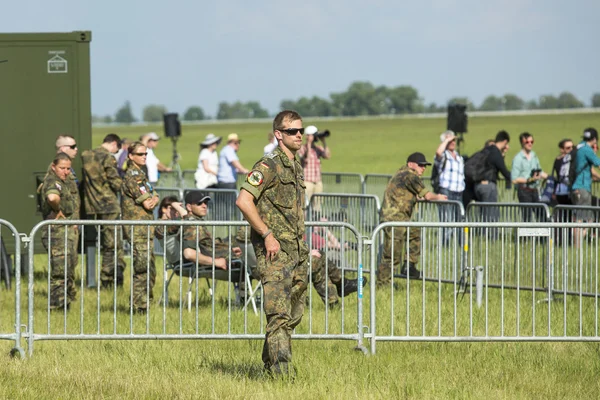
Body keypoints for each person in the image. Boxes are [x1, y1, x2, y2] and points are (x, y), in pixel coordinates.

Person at [236, 110, 309, 377]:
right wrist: (266, 235)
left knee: (294, 312)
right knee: (278, 315)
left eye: (300, 131)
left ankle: (269, 362)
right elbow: (244, 201)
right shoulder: (268, 165)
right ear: (279, 134)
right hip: (275, 253)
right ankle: (281, 374)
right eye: (292, 131)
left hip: (296, 251)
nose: (298, 135)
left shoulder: (295, 165)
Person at [376, 153, 448, 287]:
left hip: (398, 219)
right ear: (411, 164)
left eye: (425, 166)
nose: (423, 168)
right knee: (392, 255)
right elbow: (426, 195)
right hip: (394, 220)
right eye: (420, 165)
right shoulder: (410, 175)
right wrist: (438, 197)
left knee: (415, 232)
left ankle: (409, 265)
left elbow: (405, 194)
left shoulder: (401, 174)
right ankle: (382, 285)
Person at [81, 133, 126, 288]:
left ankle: (108, 277)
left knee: (105, 243)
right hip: (109, 205)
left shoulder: (86, 155)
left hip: (91, 205)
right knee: (113, 244)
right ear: (114, 143)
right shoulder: (108, 158)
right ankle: (109, 278)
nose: (115, 153)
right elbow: (115, 182)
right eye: (116, 149)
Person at [121, 141, 159, 313]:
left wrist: (154, 198)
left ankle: (145, 303)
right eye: (140, 154)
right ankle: (139, 306)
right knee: (142, 269)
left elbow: (154, 195)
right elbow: (149, 204)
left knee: (150, 268)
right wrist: (153, 198)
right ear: (131, 156)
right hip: (138, 230)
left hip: (145, 229)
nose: (144, 157)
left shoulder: (141, 174)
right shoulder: (133, 176)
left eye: (146, 154)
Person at [39, 153, 80, 309]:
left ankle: (66, 302)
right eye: (62, 168)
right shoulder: (52, 181)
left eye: (68, 168)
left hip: (65, 232)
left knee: (68, 268)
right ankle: (57, 306)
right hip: (56, 233)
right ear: (54, 167)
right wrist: (57, 209)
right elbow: (52, 198)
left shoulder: (64, 182)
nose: (66, 171)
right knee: (60, 271)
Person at [308, 214, 365, 308]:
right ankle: (342, 285)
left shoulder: (315, 235)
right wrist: (326, 230)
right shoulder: (312, 236)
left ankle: (334, 302)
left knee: (319, 268)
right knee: (321, 258)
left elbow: (337, 244)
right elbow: (336, 245)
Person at [433, 131, 465, 244]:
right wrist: (446, 140)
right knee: (446, 219)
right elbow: (438, 152)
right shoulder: (444, 156)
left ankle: (462, 243)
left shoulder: (459, 157)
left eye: (453, 140)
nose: (452, 142)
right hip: (446, 190)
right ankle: (445, 244)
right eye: (449, 140)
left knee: (460, 218)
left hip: (458, 191)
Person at [474, 130, 512, 222]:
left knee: (483, 213)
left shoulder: (486, 150)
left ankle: (482, 235)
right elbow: (503, 170)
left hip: (478, 185)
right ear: (505, 141)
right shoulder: (495, 152)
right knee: (491, 215)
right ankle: (491, 235)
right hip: (489, 186)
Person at [571, 128, 600, 245]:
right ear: (594, 139)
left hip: (574, 187)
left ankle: (575, 246)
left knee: (578, 218)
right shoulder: (587, 150)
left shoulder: (579, 147)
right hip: (582, 187)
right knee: (587, 219)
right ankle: (577, 247)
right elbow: (598, 163)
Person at [511, 132, 548, 221]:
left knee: (542, 215)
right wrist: (529, 179)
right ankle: (526, 235)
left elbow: (540, 171)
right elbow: (514, 179)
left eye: (532, 141)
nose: (530, 144)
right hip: (524, 190)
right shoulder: (518, 158)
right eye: (527, 142)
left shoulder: (534, 156)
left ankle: (543, 235)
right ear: (522, 143)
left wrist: (549, 178)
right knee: (527, 217)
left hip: (535, 189)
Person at [297, 125, 331, 207]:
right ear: (308, 136)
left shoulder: (318, 148)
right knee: (305, 206)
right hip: (307, 181)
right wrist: (308, 143)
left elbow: (327, 156)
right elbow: (307, 160)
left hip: (317, 182)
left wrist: (323, 142)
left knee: (317, 208)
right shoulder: (302, 148)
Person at [552, 139, 574, 206]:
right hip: (563, 191)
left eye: (572, 147)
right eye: (568, 148)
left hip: (567, 190)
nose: (571, 149)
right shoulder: (559, 160)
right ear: (562, 150)